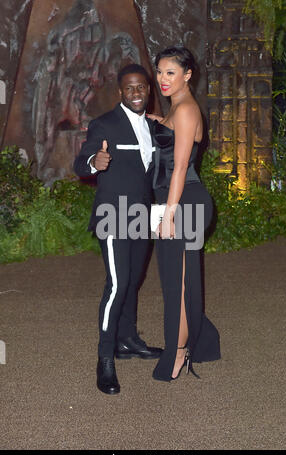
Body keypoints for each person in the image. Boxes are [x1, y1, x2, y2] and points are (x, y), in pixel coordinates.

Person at [73, 64, 162, 395]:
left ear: (148, 90)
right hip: (112, 215)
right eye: (129, 88)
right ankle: (105, 357)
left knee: (133, 280)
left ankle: (128, 341)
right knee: (117, 284)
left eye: (141, 87)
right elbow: (80, 163)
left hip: (141, 214)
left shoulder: (154, 126)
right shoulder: (105, 124)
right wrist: (95, 162)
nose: (136, 93)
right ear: (120, 92)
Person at [148, 46, 221, 382]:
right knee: (176, 278)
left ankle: (178, 352)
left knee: (177, 282)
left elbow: (179, 166)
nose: (162, 79)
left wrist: (169, 215)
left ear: (187, 75)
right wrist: (155, 122)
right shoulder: (176, 107)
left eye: (170, 73)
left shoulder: (187, 109)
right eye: (160, 72)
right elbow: (170, 135)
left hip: (185, 203)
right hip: (175, 201)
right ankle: (199, 341)